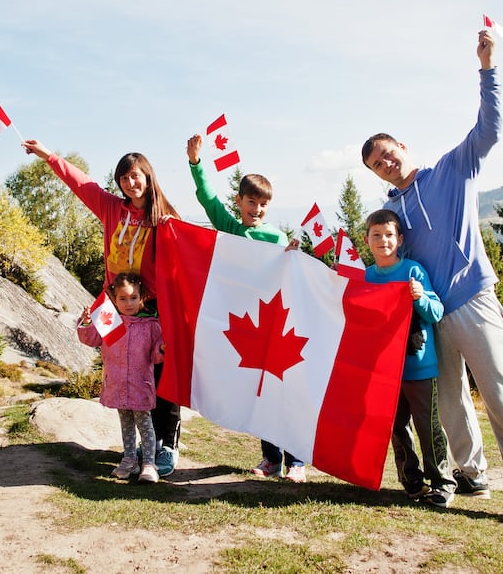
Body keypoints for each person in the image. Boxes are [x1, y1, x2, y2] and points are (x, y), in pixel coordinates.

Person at [359, 30, 503, 536]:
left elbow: (488, 129)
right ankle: (472, 474)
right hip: (431, 315)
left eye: (387, 153)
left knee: (501, 398)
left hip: (474, 300)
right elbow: (382, 266)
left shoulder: (453, 168)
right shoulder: (393, 214)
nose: (385, 163)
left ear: (402, 146)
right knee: (450, 402)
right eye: (375, 163)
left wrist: (487, 69)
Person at [22, 140, 183, 475]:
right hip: (112, 305)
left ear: (148, 177)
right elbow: (81, 183)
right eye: (124, 178)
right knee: (121, 372)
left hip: (152, 309)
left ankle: (165, 446)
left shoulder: (164, 216)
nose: (130, 183)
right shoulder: (112, 208)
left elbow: (188, 253)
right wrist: (48, 156)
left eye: (135, 176)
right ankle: (135, 448)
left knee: (158, 375)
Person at [185, 134, 307, 483]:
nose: (257, 209)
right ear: (239, 202)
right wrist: (196, 163)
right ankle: (271, 459)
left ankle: (296, 461)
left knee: (283, 392)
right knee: (261, 394)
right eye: (251, 202)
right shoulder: (231, 228)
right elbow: (207, 199)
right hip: (248, 325)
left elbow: (293, 277)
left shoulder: (276, 239)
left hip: (277, 323)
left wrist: (294, 256)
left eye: (263, 204)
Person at [361, 209, 454, 508]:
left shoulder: (414, 271)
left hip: (419, 366)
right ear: (367, 240)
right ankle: (411, 480)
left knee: (428, 427)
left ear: (399, 239)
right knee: (397, 427)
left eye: (389, 235)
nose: (383, 240)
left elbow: (436, 312)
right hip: (385, 371)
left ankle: (442, 483)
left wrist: (420, 297)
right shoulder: (367, 277)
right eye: (377, 235)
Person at [77, 273, 165, 483]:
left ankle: (149, 464)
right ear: (114, 300)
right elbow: (91, 339)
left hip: (140, 385)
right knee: (126, 423)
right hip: (117, 384)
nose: (128, 303)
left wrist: (162, 348)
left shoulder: (151, 325)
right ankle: (129, 460)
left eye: (133, 297)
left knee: (145, 424)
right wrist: (87, 322)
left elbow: (155, 356)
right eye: (123, 299)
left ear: (141, 298)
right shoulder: (109, 321)